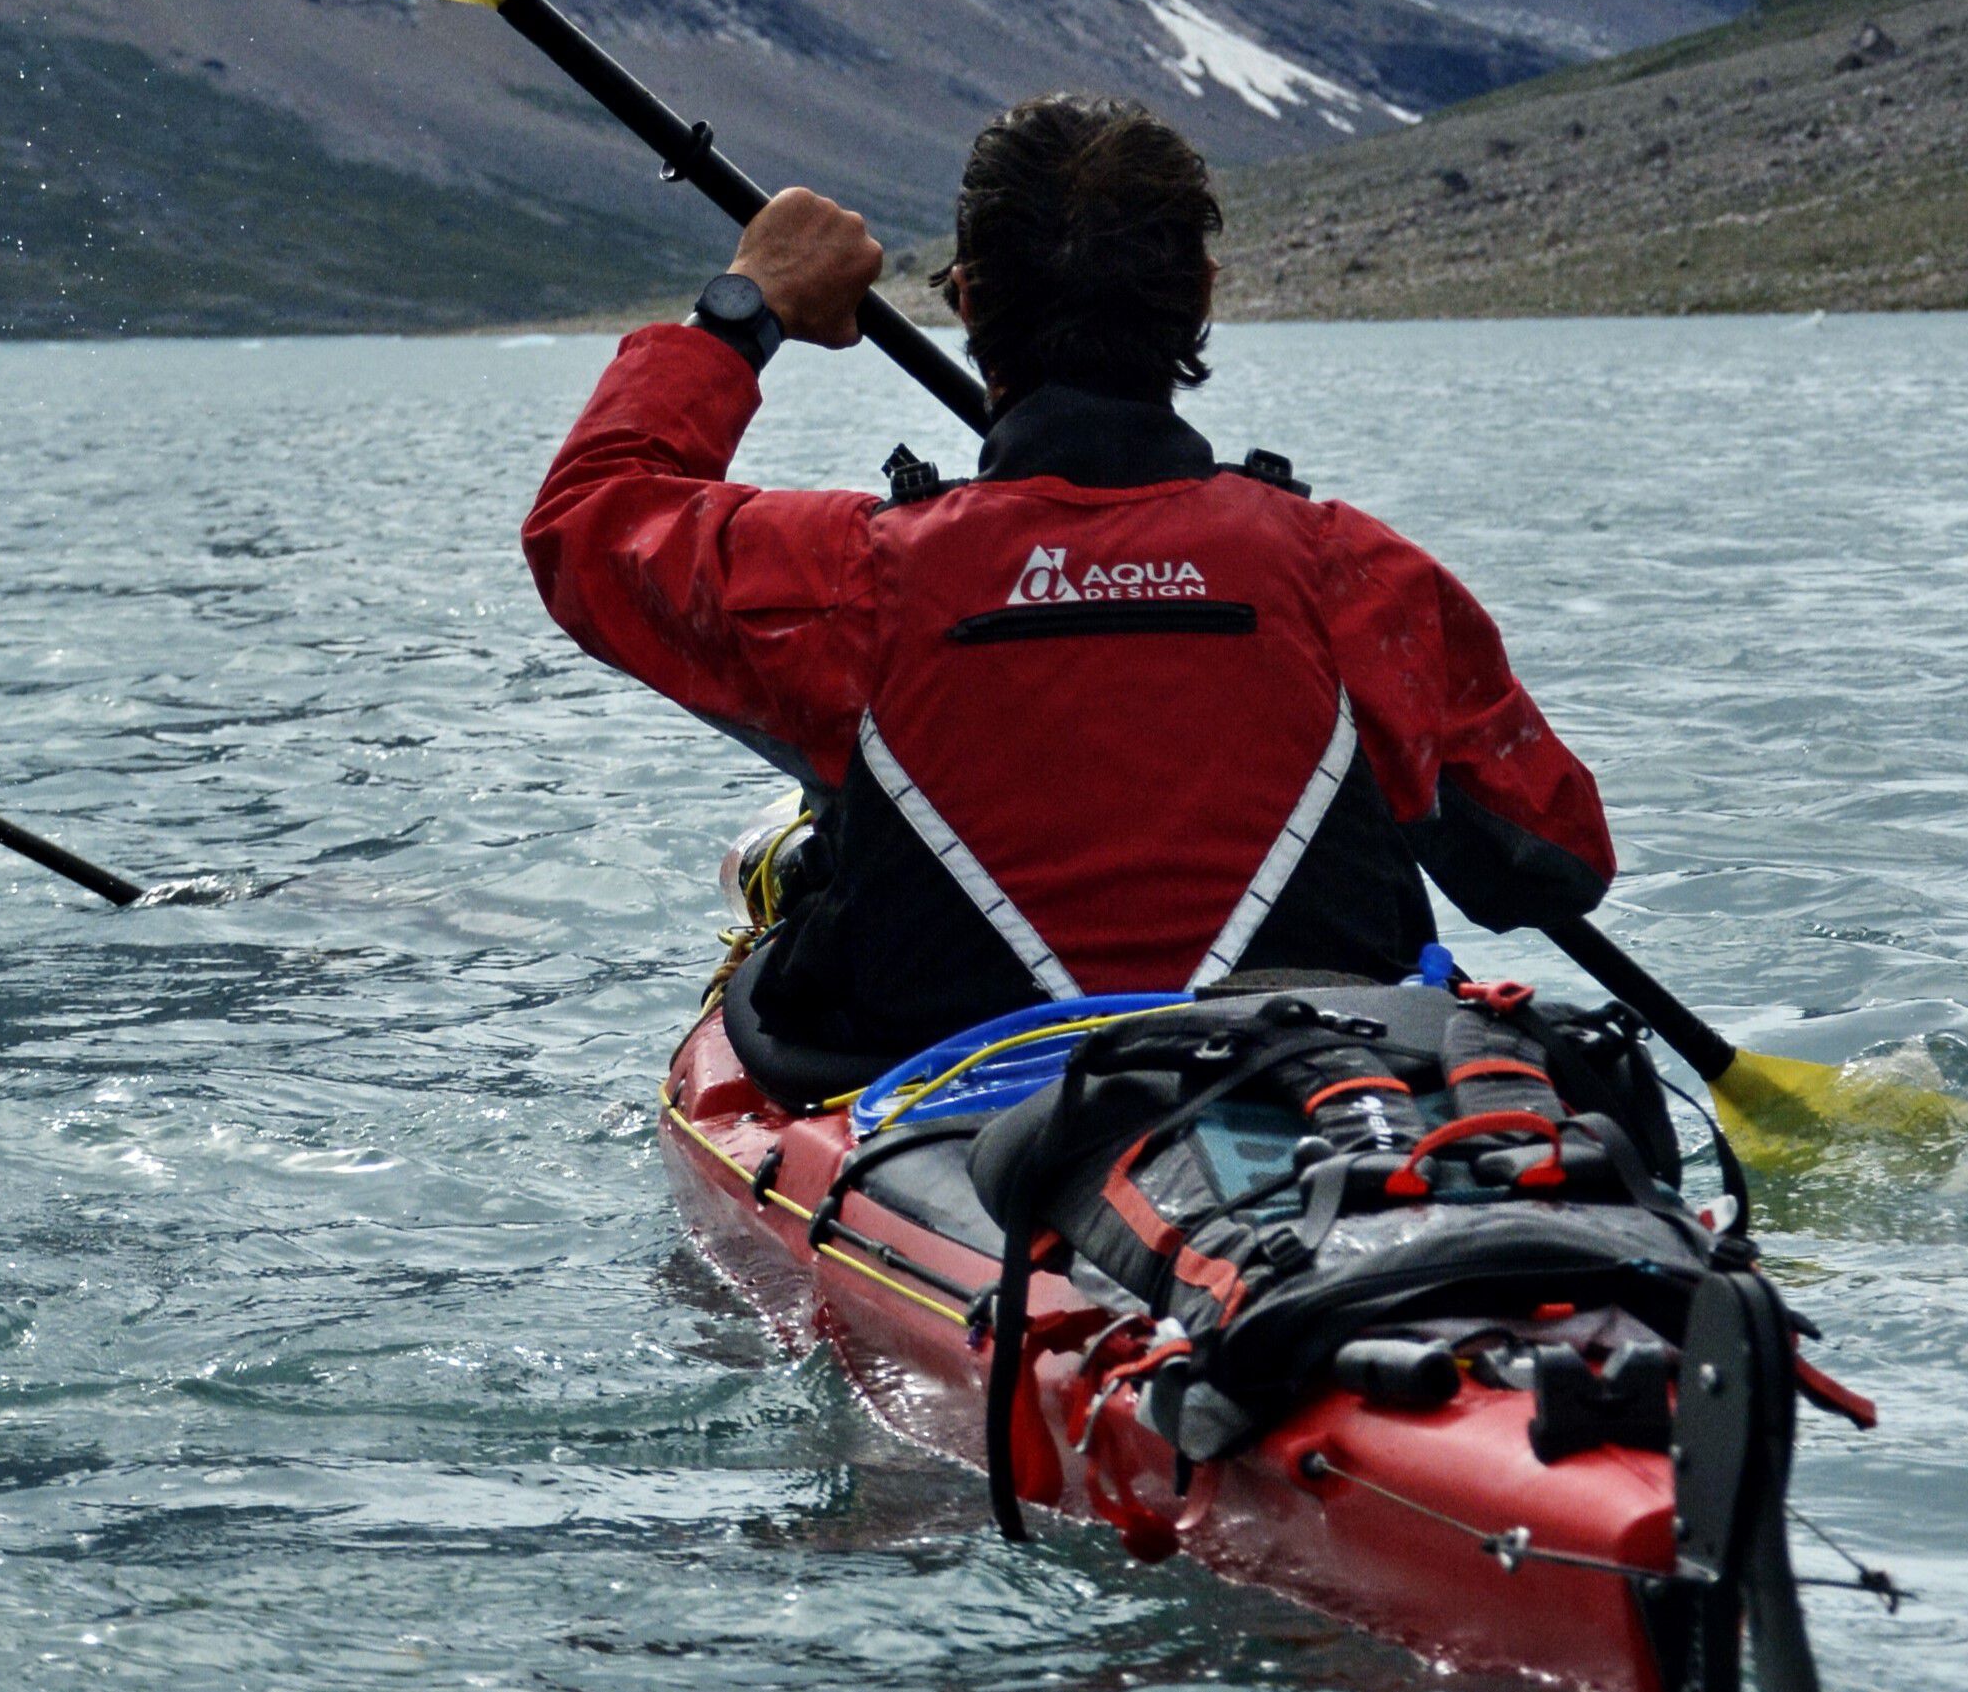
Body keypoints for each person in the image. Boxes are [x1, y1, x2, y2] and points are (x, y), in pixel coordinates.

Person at [520, 96, 1609, 1091]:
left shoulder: (851, 576)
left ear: (969, 297)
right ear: (1201, 294)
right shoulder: (1354, 573)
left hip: (955, 1104)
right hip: (1323, 1082)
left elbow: (588, 520)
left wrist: (745, 310)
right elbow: (1552, 863)